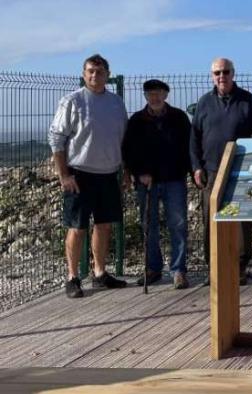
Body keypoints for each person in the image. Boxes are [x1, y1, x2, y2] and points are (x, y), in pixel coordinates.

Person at [48, 54, 129, 298]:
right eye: (90, 71)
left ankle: (100, 273)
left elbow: (122, 140)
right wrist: (64, 175)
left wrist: (125, 172)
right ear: (84, 74)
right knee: (77, 227)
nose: (95, 75)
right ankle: (73, 277)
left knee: (104, 226)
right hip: (79, 175)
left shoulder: (116, 103)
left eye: (100, 71)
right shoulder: (72, 101)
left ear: (108, 74)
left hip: (108, 174)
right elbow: (56, 138)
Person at [190, 58, 252, 286]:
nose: (222, 76)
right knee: (211, 220)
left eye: (226, 72)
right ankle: (214, 268)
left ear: (233, 73)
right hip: (211, 172)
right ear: (212, 76)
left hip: (241, 171)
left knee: (241, 220)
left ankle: (240, 267)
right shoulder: (203, 103)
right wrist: (196, 167)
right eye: (217, 72)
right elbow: (194, 138)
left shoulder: (248, 100)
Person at [123, 79, 192, 290]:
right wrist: (138, 173)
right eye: (150, 93)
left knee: (178, 225)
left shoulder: (179, 118)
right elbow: (128, 151)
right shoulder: (136, 120)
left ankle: (178, 270)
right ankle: (153, 268)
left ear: (166, 95)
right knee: (148, 227)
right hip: (147, 183)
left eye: (158, 93)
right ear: (145, 96)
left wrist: (188, 171)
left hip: (174, 180)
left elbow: (189, 147)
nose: (154, 97)